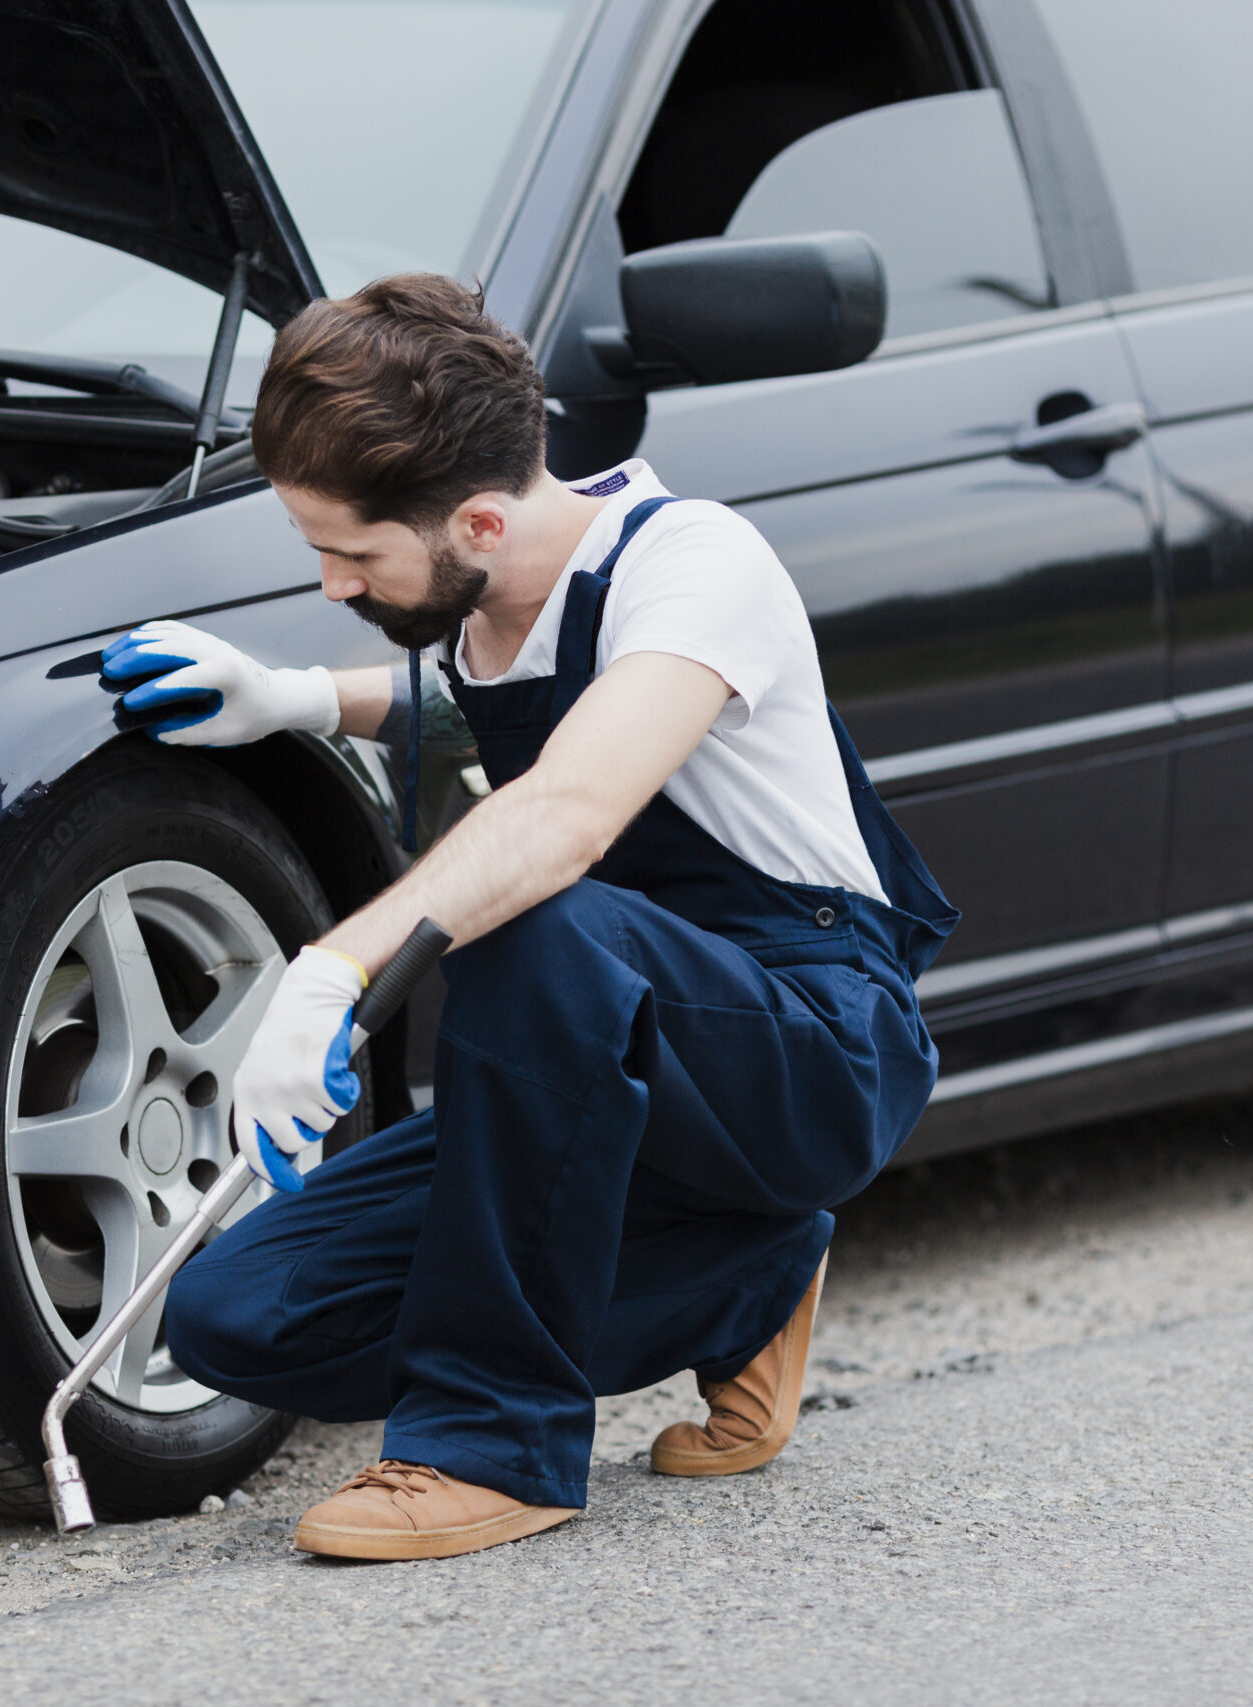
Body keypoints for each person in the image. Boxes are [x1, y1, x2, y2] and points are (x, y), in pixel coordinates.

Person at [97, 274, 956, 1561]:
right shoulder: (482, 605)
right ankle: (747, 1277)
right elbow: (487, 707)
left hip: (807, 1044)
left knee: (529, 915)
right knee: (238, 1314)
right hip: (609, 1064)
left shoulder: (692, 564)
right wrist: (289, 700)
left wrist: (333, 970)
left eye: (352, 555)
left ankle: (490, 1444)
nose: (332, 583)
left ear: (482, 521)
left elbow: (568, 808)